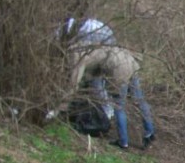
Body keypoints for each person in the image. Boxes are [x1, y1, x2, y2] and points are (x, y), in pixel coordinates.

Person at [60, 17, 156, 151]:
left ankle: (123, 142)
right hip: (131, 61)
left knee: (119, 105)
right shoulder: (96, 45)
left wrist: (62, 107)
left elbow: (74, 82)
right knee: (140, 100)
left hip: (120, 69)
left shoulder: (76, 53)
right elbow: (97, 72)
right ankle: (149, 132)